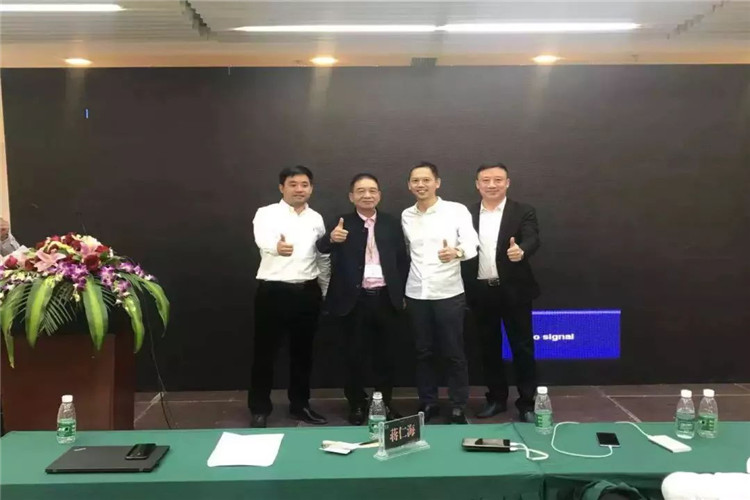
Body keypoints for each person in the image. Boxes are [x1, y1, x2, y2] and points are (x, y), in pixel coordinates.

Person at [316, 173, 409, 425]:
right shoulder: (342, 222)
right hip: (353, 300)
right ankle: (356, 403)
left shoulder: (391, 223)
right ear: (351, 196)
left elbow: (402, 260)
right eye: (361, 191)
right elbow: (321, 249)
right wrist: (330, 238)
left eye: (372, 190)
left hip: (385, 298)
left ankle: (383, 403)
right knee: (353, 354)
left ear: (379, 195)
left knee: (386, 356)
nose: (367, 195)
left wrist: (400, 293)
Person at [249, 165, 331, 428]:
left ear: (311, 188)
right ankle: (259, 409)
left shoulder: (316, 218)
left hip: (307, 292)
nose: (299, 189)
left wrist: (324, 289)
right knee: (265, 354)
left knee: (303, 354)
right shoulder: (266, 213)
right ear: (281, 187)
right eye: (293, 184)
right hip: (273, 291)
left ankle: (300, 405)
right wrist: (277, 247)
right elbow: (262, 239)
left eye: (304, 184)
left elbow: (322, 256)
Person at [462, 163, 540, 423]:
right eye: (486, 180)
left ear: (507, 183)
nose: (492, 185)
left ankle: (527, 403)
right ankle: (496, 399)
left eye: (498, 179)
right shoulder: (466, 214)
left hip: (515, 290)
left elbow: (532, 237)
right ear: (477, 184)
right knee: (488, 348)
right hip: (481, 291)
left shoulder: (523, 211)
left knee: (523, 348)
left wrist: (522, 250)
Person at [401, 162, 479, 424]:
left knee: (453, 352)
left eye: (426, 180)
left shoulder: (456, 210)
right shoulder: (406, 215)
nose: (420, 185)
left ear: (437, 182)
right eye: (415, 180)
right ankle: (428, 402)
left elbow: (472, 243)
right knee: (423, 352)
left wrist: (456, 252)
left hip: (448, 292)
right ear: (409, 185)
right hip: (416, 293)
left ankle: (458, 404)